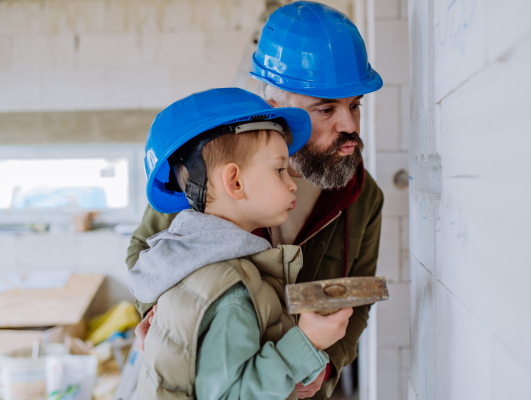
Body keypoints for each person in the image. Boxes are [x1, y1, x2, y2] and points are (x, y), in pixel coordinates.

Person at [127, 3, 384, 398]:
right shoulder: (208, 171)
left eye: (354, 105)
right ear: (278, 109)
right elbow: (146, 256)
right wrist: (157, 318)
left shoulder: (363, 198)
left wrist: (326, 366)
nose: (349, 126)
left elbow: (359, 300)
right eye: (326, 109)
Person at [129, 87, 353, 399]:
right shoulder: (229, 288)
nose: (292, 185)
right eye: (279, 170)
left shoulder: (192, 261)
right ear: (234, 181)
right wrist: (307, 343)